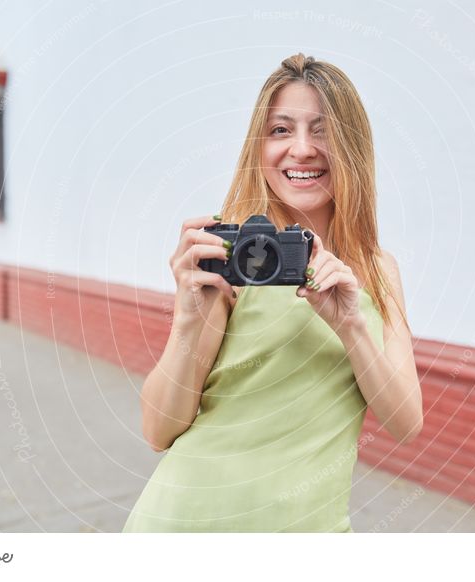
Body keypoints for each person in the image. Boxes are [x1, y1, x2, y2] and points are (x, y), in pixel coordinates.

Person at [122, 53, 423, 533]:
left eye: (321, 130)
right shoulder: (234, 257)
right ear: (259, 149)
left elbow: (406, 423)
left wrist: (350, 326)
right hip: (187, 526)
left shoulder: (378, 270)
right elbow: (158, 431)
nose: (301, 149)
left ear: (352, 147)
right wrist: (187, 318)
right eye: (281, 130)